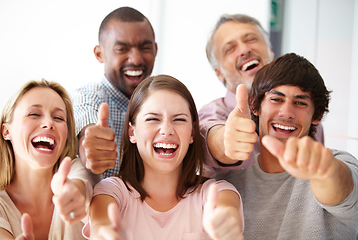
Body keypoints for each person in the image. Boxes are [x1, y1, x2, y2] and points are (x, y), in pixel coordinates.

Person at [216, 53, 358, 239]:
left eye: (300, 102)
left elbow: (341, 189)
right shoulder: (228, 182)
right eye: (276, 99)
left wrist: (325, 172)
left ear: (317, 114)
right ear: (255, 105)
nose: (286, 113)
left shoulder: (337, 162)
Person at [85, 75, 244, 240]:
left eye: (180, 119)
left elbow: (227, 212)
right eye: (153, 119)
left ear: (192, 133)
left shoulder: (217, 193)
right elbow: (101, 226)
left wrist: (227, 225)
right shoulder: (111, 191)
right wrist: (106, 233)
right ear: (132, 132)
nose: (166, 129)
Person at [199, 13, 324, 175]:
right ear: (219, 74)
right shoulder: (212, 113)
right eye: (230, 48)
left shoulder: (305, 116)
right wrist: (225, 141)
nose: (244, 50)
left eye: (251, 39)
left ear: (270, 52)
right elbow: (209, 136)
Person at [0, 79, 97, 239]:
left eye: (58, 118)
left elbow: (80, 187)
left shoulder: (75, 169)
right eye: (34, 114)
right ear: (6, 131)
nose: (49, 123)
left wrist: (73, 195)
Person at [72, 6, 158, 178]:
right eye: (122, 49)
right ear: (99, 54)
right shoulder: (89, 96)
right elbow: (87, 126)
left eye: (145, 48)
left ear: (155, 49)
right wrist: (90, 144)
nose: (135, 59)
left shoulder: (165, 101)